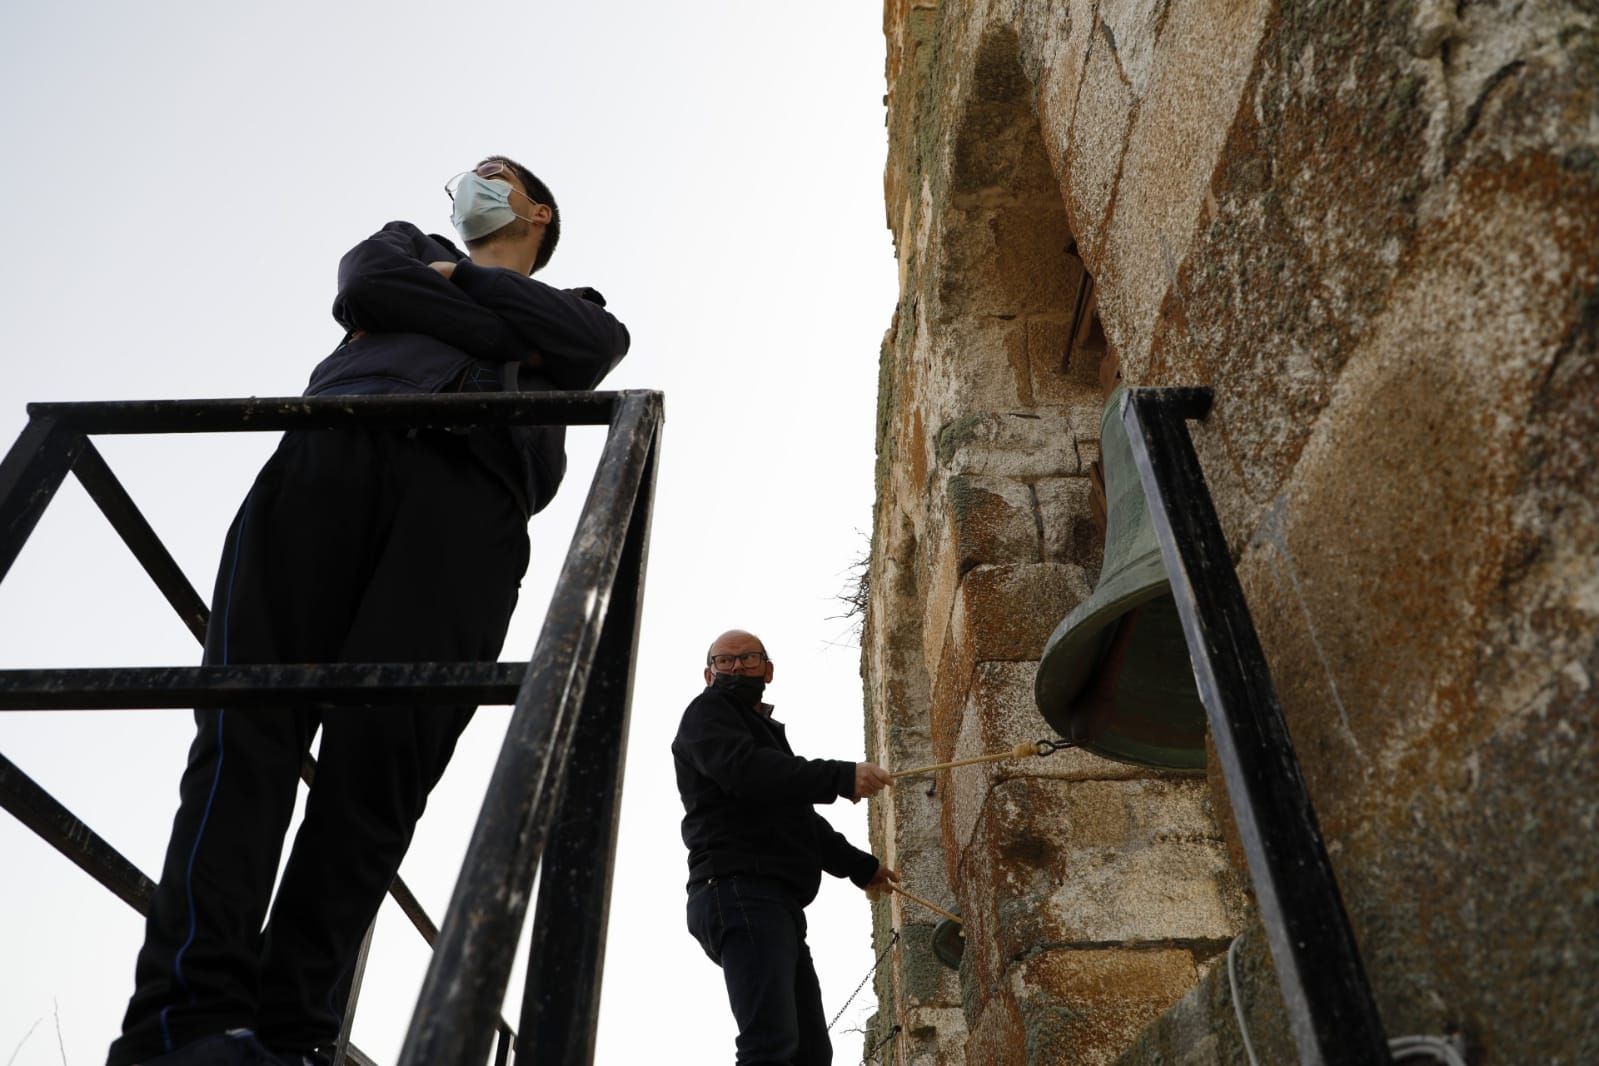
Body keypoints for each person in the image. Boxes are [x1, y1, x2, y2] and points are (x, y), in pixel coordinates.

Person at [107, 156, 630, 1066]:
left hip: (472, 509)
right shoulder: (402, 248)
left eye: (493, 176)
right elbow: (367, 283)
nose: (469, 187)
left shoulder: (577, 309)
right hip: (333, 455)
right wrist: (509, 334)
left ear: (537, 211)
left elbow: (591, 348)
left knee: (378, 786)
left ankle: (295, 1034)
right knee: (246, 735)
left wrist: (458, 286)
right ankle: (187, 1023)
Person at [672, 629, 899, 1065]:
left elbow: (795, 818)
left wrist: (863, 868)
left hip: (772, 903)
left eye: (748, 659)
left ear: (768, 670)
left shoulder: (761, 732)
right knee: (770, 1046)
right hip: (738, 891)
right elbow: (747, 771)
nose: (736, 667)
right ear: (708, 674)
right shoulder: (708, 714)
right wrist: (840, 776)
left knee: (811, 1053)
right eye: (725, 661)